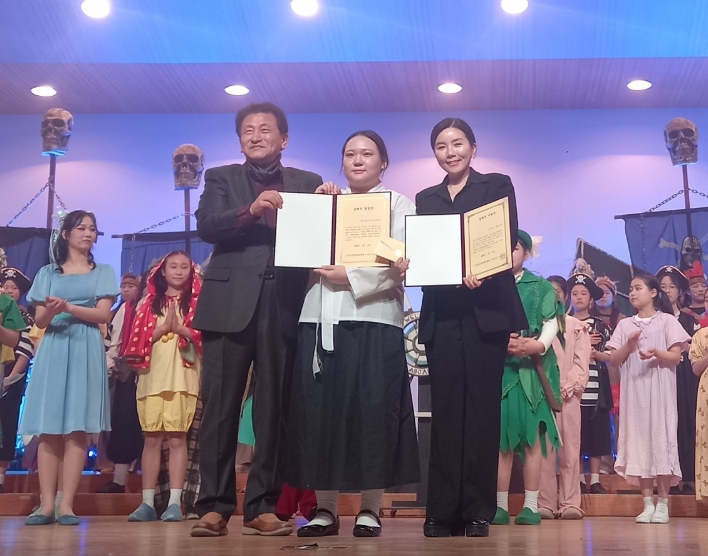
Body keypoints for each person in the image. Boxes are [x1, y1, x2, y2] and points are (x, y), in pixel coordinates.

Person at [191, 102, 323, 537]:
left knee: (273, 409)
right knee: (219, 408)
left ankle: (263, 506)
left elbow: (322, 236)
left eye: (265, 129)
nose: (256, 135)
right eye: (248, 130)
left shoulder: (307, 182)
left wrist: (332, 207)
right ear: (240, 141)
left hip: (285, 301)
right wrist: (251, 209)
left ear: (284, 139)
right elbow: (207, 226)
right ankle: (213, 506)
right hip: (228, 302)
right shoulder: (220, 177)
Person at [287, 130, 420, 538]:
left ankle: (370, 508)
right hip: (321, 316)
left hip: (374, 318)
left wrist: (352, 276)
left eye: (367, 153)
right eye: (350, 154)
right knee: (320, 413)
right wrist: (316, 210)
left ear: (383, 163)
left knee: (372, 413)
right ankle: (326, 509)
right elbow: (298, 248)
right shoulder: (327, 201)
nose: (358, 160)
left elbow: (400, 261)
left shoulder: (398, 204)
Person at [414, 118, 527, 538]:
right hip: (443, 312)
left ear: (473, 148)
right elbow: (427, 251)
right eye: (441, 146)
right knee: (445, 412)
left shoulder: (496, 185)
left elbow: (504, 238)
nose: (451, 152)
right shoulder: (426, 197)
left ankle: (479, 510)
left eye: (458, 143)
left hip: (486, 311)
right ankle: (441, 511)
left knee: (481, 411)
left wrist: (484, 267)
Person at [20, 210, 118, 526]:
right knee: (49, 427)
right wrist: (52, 311)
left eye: (92, 228)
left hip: (85, 346)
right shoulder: (48, 273)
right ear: (66, 234)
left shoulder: (102, 271)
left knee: (77, 427)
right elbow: (40, 320)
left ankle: (67, 505)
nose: (88, 233)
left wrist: (69, 307)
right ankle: (46, 504)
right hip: (54, 347)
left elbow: (103, 315)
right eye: (81, 228)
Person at [124, 251, 202, 523]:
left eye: (184, 267)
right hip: (152, 378)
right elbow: (135, 343)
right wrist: (163, 329)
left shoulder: (196, 303)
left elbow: (203, 339)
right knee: (152, 439)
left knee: (178, 439)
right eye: (173, 266)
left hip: (182, 378)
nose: (178, 271)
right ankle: (147, 502)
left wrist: (180, 329)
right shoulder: (148, 303)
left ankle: (175, 503)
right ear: (163, 271)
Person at [493, 231, 563, 527]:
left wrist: (537, 345)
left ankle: (531, 506)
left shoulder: (540, 286)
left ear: (526, 253)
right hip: (500, 371)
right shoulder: (489, 285)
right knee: (501, 442)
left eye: (515, 247)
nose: (510, 252)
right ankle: (499, 506)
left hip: (531, 372)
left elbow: (552, 321)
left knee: (532, 439)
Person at [607, 274, 689, 523]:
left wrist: (657, 353)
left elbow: (676, 357)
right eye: (631, 289)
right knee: (640, 442)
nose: (632, 293)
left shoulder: (666, 321)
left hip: (661, 391)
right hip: (635, 392)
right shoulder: (625, 325)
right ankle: (647, 504)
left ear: (653, 293)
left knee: (661, 440)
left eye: (638, 288)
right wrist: (629, 345)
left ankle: (663, 504)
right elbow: (614, 359)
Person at [538, 275, 591, 519]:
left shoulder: (576, 326)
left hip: (569, 395)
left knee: (570, 449)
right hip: (542, 394)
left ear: (565, 295)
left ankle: (570, 502)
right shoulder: (536, 326)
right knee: (544, 451)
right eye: (549, 291)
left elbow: (582, 362)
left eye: (558, 290)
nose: (554, 295)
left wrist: (569, 386)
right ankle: (545, 502)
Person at [566, 270, 614, 495]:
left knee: (597, 436)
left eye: (583, 293)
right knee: (574, 437)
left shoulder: (600, 325)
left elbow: (609, 355)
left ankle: (594, 480)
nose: (578, 297)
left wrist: (594, 352)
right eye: (575, 293)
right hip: (572, 389)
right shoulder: (563, 324)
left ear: (591, 299)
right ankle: (575, 479)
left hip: (596, 390)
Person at [97, 272, 144, 494]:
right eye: (123, 286)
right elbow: (114, 342)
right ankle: (119, 480)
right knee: (123, 424)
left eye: (131, 286)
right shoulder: (125, 309)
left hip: (152, 371)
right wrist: (110, 365)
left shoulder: (151, 307)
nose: (126, 290)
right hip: (127, 373)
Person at [657, 265, 699, 495]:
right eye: (663, 286)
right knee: (664, 426)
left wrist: (687, 346)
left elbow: (697, 348)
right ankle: (668, 479)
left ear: (680, 291)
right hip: (662, 374)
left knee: (686, 422)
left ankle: (689, 477)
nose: (667, 290)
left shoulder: (689, 319)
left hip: (684, 376)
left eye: (672, 286)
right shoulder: (655, 319)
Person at [0, 267, 34, 493]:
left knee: (7, 422)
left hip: (12, 374)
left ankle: (1, 476)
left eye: (14, 287)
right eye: (6, 286)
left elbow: (25, 349)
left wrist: (10, 377)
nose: (9, 290)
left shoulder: (24, 316)